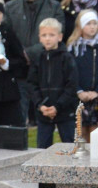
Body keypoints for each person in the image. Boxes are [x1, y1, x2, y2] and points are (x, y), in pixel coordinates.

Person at [5, 0, 63, 126]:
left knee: (45, 122)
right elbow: (6, 36)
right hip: (18, 72)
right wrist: (20, 55)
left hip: (45, 71)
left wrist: (29, 53)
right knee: (18, 118)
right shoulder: (10, 7)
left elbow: (59, 34)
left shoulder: (55, 7)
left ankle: (44, 150)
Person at [26, 17, 77, 148]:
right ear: (39, 38)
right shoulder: (38, 59)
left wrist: (58, 106)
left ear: (59, 37)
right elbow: (32, 84)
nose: (47, 38)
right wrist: (40, 105)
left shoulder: (67, 58)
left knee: (69, 145)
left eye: (51, 35)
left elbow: (71, 85)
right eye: (44, 35)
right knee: (42, 147)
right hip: (44, 112)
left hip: (64, 111)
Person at [66, 9, 98, 139]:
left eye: (94, 23)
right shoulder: (73, 46)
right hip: (77, 95)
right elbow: (69, 72)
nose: (92, 27)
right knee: (80, 130)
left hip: (96, 96)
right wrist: (78, 90)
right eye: (88, 24)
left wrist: (97, 91)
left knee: (95, 131)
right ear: (80, 26)